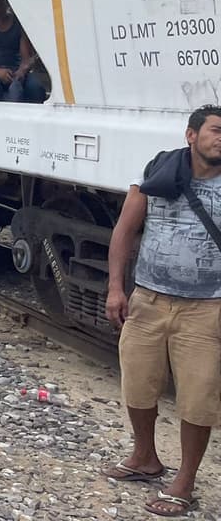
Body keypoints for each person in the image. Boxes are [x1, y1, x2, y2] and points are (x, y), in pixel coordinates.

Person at [105, 106, 221, 519]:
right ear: (191, 135)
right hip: (149, 300)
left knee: (198, 398)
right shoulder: (158, 171)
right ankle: (145, 457)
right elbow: (125, 230)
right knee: (138, 385)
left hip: (207, 307)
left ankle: (184, 483)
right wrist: (116, 287)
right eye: (215, 130)